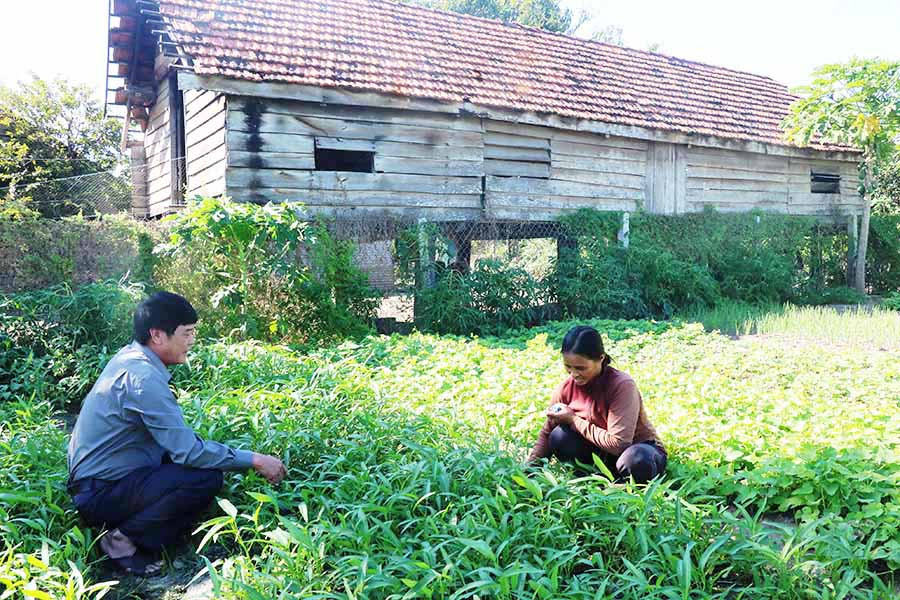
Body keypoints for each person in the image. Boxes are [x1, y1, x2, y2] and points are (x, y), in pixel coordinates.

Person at [67, 291, 287, 576]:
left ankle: (146, 527)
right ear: (157, 335)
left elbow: (178, 443)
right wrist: (255, 459)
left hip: (105, 482)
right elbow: (189, 451)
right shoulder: (142, 377)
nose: (192, 341)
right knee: (204, 478)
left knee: (198, 467)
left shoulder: (131, 358)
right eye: (187, 333)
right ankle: (121, 539)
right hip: (100, 493)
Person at [527, 325, 666, 483]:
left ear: (600, 358)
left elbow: (619, 444)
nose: (574, 374)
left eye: (581, 368)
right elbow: (547, 433)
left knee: (636, 460)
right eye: (568, 367)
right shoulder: (565, 388)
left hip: (637, 450)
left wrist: (573, 420)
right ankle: (602, 480)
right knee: (559, 436)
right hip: (601, 454)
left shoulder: (622, 385)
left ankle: (623, 484)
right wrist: (528, 470)